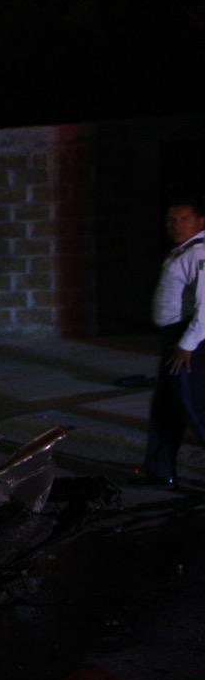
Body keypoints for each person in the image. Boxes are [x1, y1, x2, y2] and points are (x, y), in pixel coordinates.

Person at [141, 199, 205, 486]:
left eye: (183, 219)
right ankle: (159, 471)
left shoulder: (200, 254)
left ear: (200, 222)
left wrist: (187, 345)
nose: (176, 225)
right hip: (174, 340)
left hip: (188, 343)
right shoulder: (182, 252)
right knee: (166, 409)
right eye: (171, 220)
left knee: (197, 409)